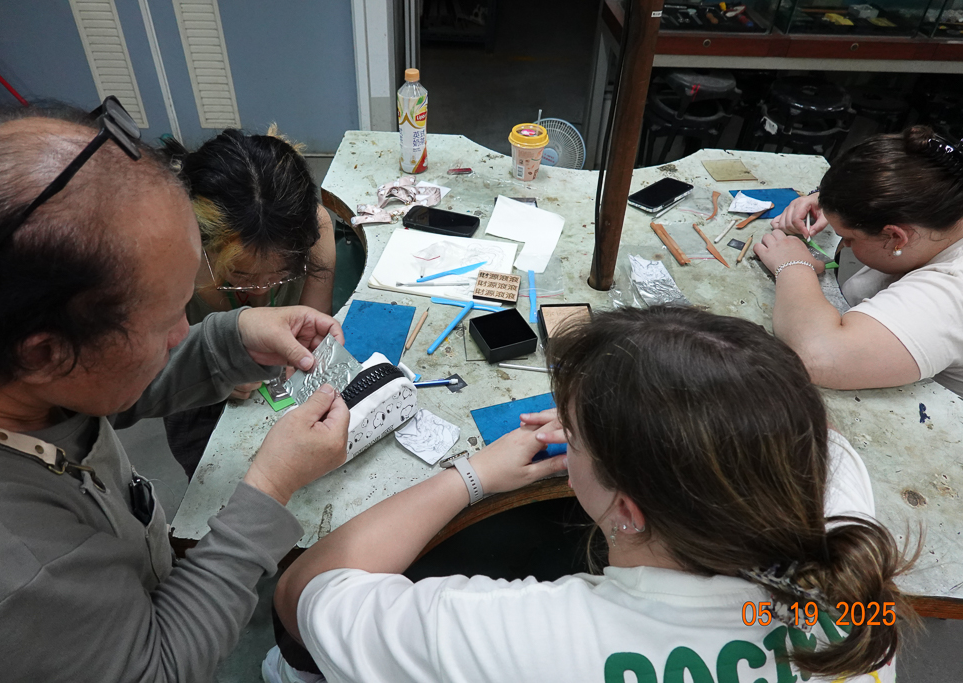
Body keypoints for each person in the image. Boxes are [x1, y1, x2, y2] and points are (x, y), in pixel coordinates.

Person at [271, 306, 913, 683]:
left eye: (572, 437)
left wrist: (473, 475)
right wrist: (622, 426)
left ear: (627, 512)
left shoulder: (528, 641)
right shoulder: (849, 558)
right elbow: (813, 432)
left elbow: (304, 593)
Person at [0, 101, 349, 683]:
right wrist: (268, 487)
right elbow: (158, 669)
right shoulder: (13, 565)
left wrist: (229, 337)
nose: (185, 329)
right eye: (166, 321)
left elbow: (104, 384)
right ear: (44, 353)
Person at [161, 128, 337, 477]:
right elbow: (151, 370)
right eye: (240, 275)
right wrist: (212, 371)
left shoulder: (314, 230)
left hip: (282, 390)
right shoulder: (172, 254)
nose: (260, 293)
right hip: (192, 392)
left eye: (281, 275)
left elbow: (310, 332)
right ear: (201, 241)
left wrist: (301, 352)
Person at [757, 125, 963, 394]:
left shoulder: (950, 292)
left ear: (896, 237)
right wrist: (836, 200)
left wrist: (793, 265)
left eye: (849, 238)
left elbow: (820, 357)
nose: (845, 244)